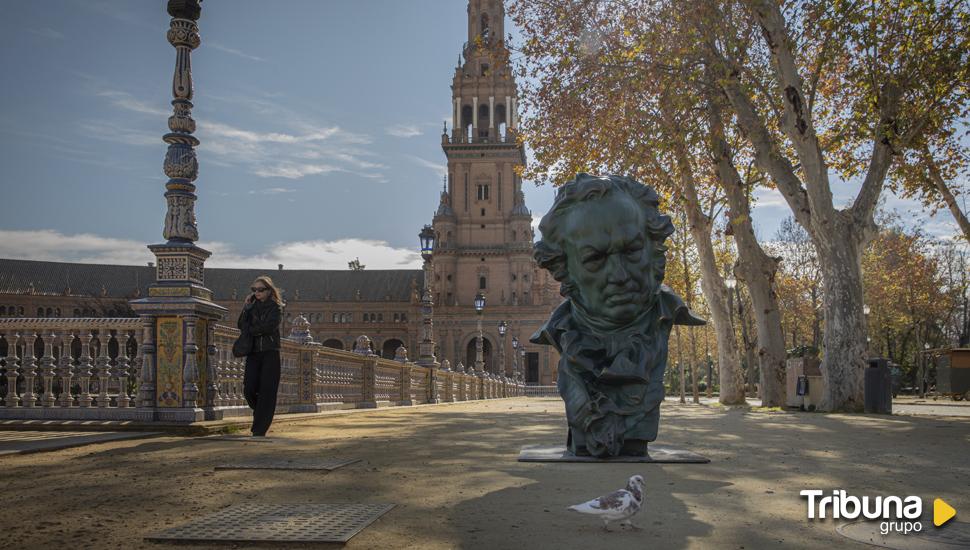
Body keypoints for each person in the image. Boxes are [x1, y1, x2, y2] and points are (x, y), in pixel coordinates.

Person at [531, 173, 704, 457]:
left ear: (653, 247)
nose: (620, 276)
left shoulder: (665, 315)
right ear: (563, 267)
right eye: (595, 259)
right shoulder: (559, 333)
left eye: (632, 250)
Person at [238, 275, 283, 436]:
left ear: (269, 291)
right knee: (249, 388)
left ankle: (259, 429)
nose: (256, 292)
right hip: (254, 353)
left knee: (267, 391)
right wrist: (246, 308)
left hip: (270, 353)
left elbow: (269, 327)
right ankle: (262, 412)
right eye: (254, 289)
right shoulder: (251, 307)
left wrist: (251, 329)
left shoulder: (276, 307)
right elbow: (240, 325)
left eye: (260, 289)